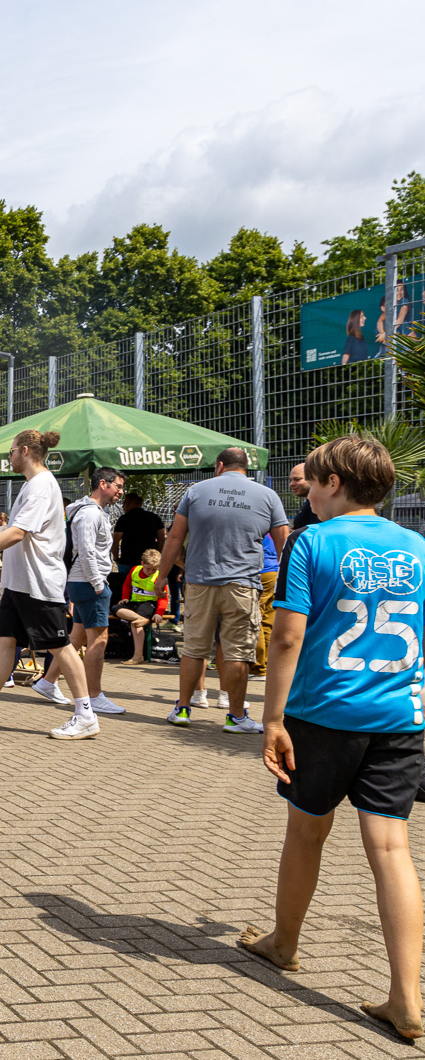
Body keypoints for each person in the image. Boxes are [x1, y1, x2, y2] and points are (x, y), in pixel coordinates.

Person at [241, 435, 425, 1041]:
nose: (308, 492)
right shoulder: (416, 546)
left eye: (314, 483)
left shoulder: (313, 542)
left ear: (337, 484)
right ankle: (407, 998)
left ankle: (284, 942)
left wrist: (272, 720)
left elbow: (288, 638)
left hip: (325, 716)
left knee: (307, 829)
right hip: (401, 717)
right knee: (392, 851)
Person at [0, 429, 97, 740]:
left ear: (24, 451)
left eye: (12, 450)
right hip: (20, 583)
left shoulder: (40, 486)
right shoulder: (33, 485)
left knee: (60, 646)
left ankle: (86, 715)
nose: (9, 456)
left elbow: (17, 533)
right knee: (3, 642)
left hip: (39, 583)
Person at [154, 448, 288, 731]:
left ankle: (182, 709)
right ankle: (236, 717)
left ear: (219, 466)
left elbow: (175, 536)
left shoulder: (196, 492)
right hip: (243, 586)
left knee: (194, 649)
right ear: (246, 468)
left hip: (199, 582)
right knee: (238, 652)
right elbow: (283, 544)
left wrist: (162, 576)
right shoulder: (267, 495)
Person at [40, 468, 126, 716]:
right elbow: (87, 551)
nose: (121, 491)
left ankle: (47, 681)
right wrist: (99, 584)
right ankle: (94, 695)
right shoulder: (89, 514)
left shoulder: (87, 511)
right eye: (118, 486)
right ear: (103, 483)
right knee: (99, 640)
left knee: (77, 636)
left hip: (83, 582)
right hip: (89, 582)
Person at [113, 549, 167, 664]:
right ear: (142, 563)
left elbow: (164, 597)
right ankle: (143, 619)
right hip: (134, 603)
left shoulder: (159, 576)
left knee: (135, 624)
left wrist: (159, 613)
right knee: (116, 608)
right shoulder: (134, 570)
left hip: (149, 604)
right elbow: (127, 585)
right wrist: (125, 597)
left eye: (154, 569)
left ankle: (138, 656)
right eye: (148, 568)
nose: (151, 572)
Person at [112, 492, 165, 584]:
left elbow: (115, 541)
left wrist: (116, 559)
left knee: (127, 590)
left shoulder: (124, 519)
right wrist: (158, 555)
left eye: (124, 503)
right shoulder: (154, 517)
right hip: (149, 562)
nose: (123, 506)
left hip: (128, 561)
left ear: (131, 504)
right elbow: (162, 539)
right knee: (148, 591)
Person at [251, 532, 280, 678]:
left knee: (256, 620)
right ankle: (269, 665)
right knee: (268, 620)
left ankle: (258, 667)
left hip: (260, 572)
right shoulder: (273, 532)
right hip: (274, 572)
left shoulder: (257, 529)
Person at [289, 461, 320, 529]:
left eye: (297, 479)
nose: (291, 484)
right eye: (290, 480)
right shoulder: (308, 503)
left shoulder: (319, 506)